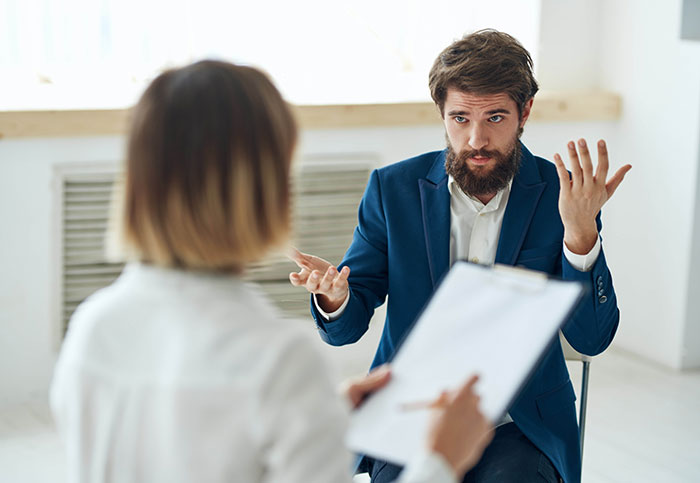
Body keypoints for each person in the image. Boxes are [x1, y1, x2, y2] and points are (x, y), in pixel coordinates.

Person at [49, 60, 493, 483]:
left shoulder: (94, 326)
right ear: (265, 185)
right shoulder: (279, 361)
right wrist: (440, 461)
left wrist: (315, 415)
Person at [289, 30, 631, 483]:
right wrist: (335, 297)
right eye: (460, 118)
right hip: (412, 412)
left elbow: (591, 339)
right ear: (441, 114)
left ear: (524, 112)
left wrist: (581, 234)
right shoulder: (392, 190)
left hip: (519, 425)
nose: (476, 139)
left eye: (495, 117)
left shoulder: (564, 197)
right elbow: (346, 330)